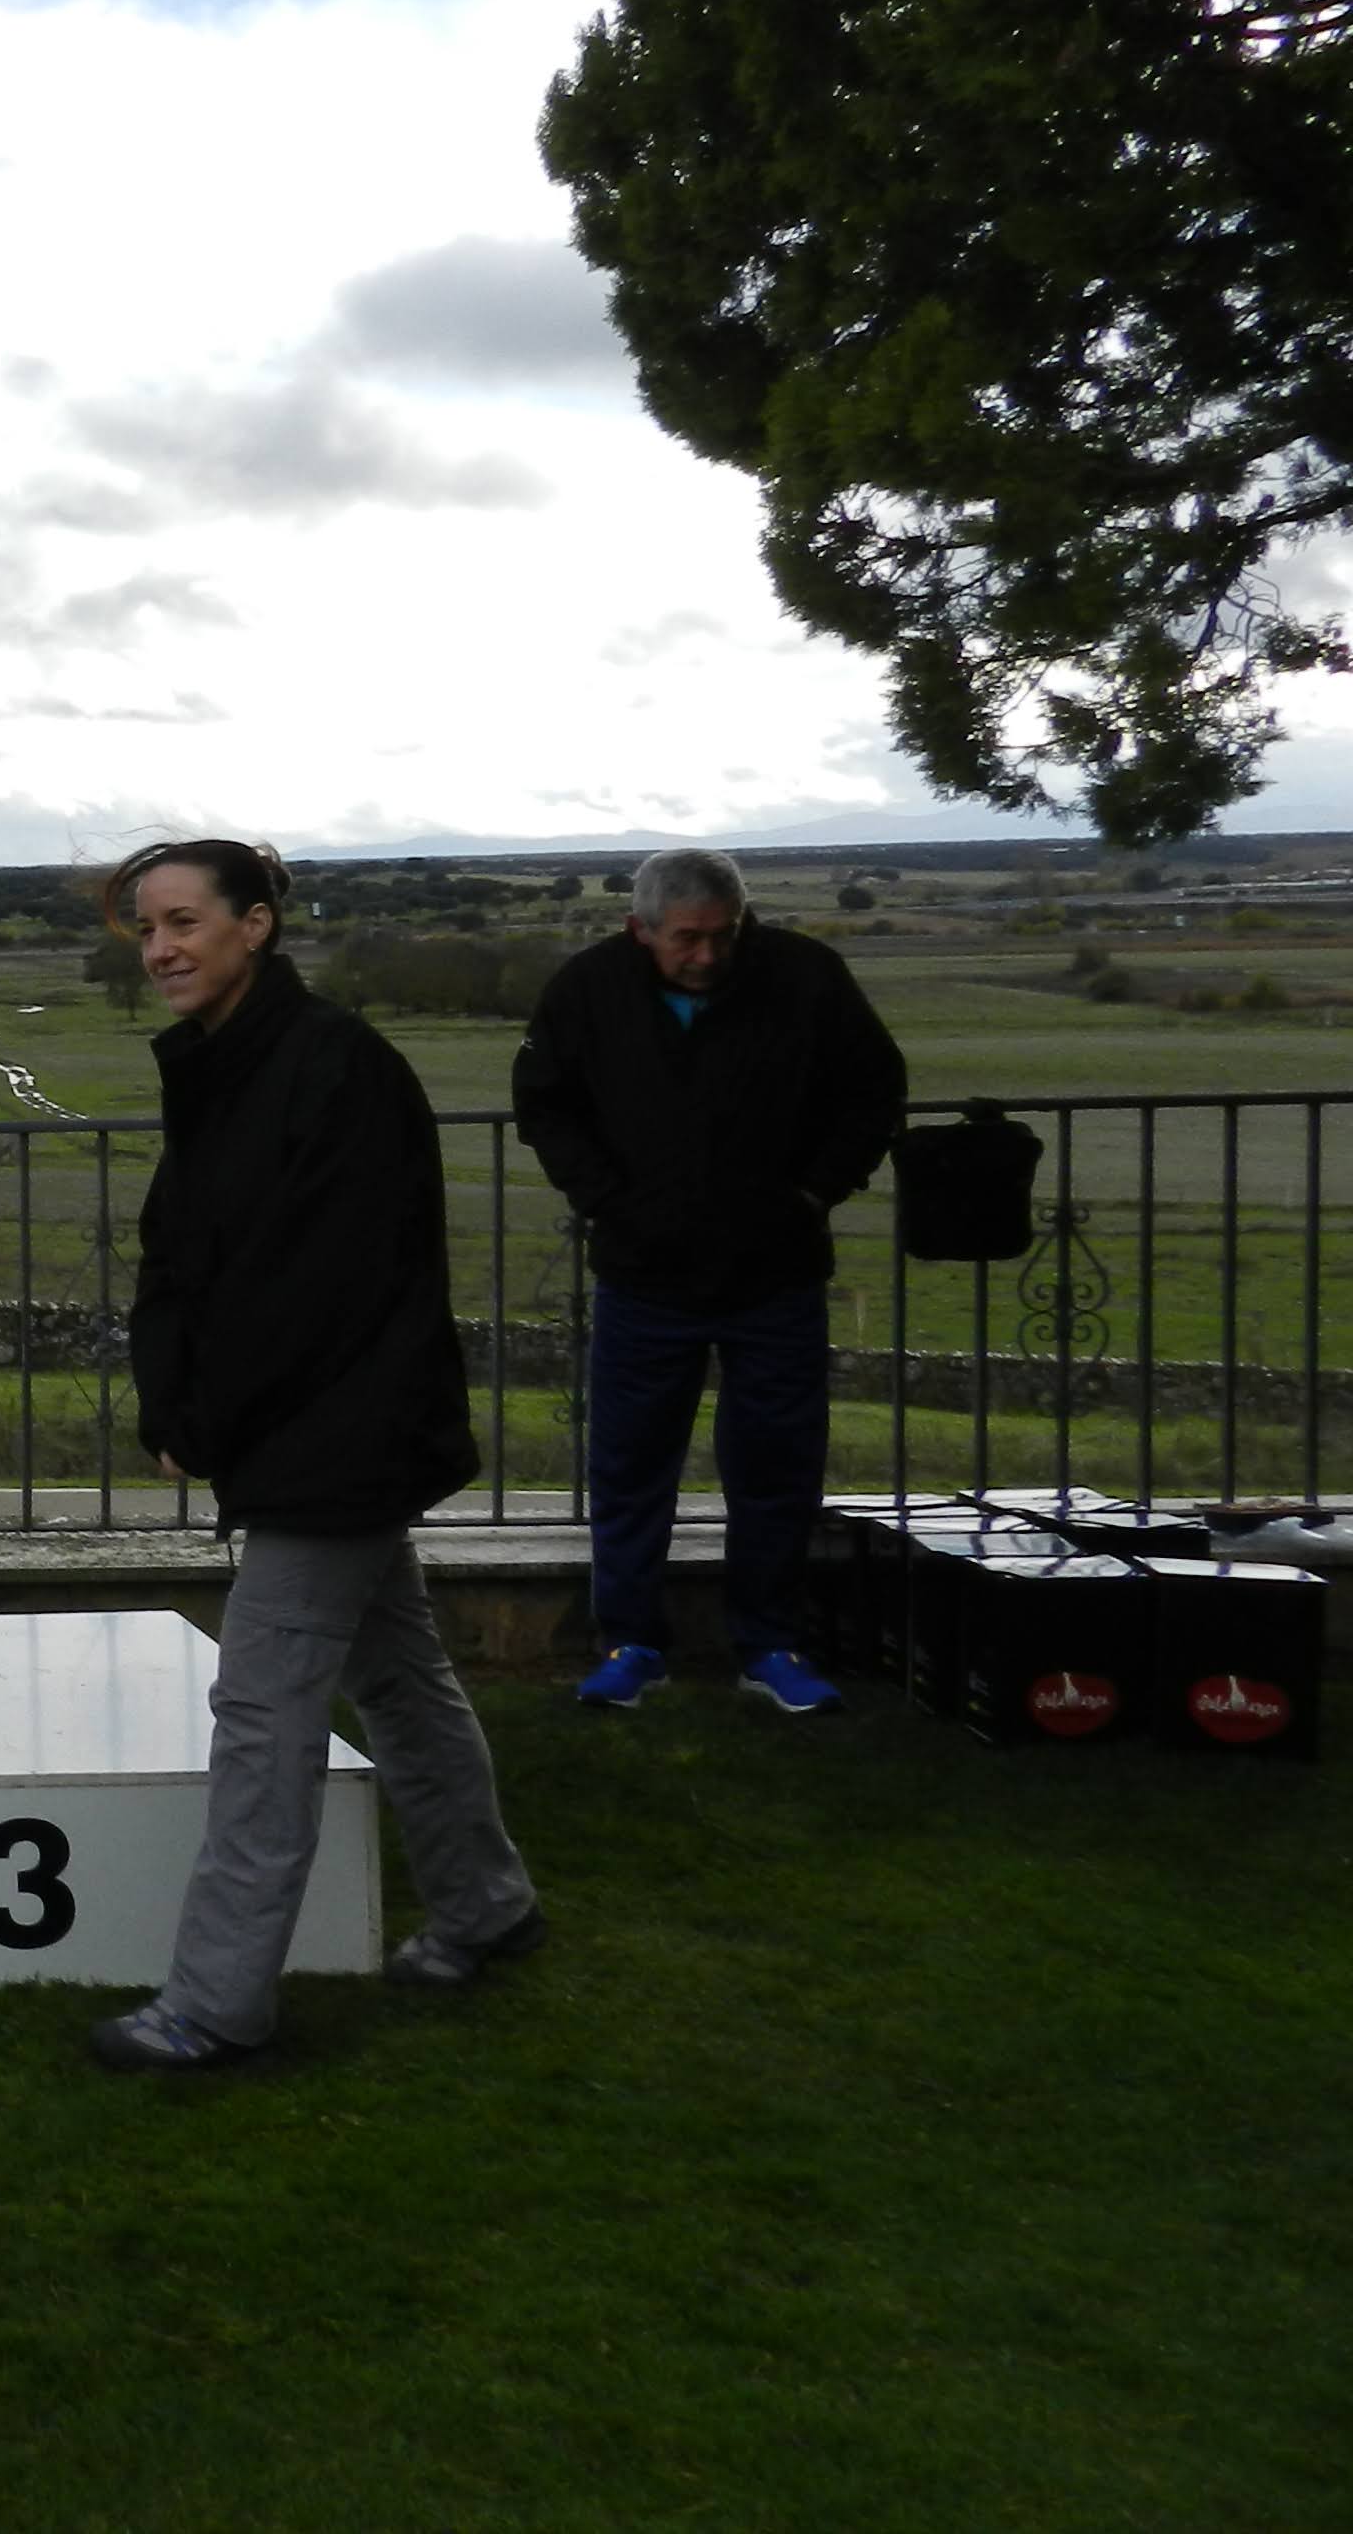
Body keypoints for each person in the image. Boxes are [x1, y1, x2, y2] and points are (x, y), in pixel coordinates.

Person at [91, 839, 541, 2073]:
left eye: (184, 922)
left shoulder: (333, 1064)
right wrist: (174, 1404)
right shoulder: (226, 1062)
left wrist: (210, 1418)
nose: (161, 948)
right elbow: (185, 1255)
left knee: (262, 1707)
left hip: (339, 1435)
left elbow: (315, 1285)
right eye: (146, 928)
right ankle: (485, 1904)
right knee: (397, 1676)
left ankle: (214, 2002)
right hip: (311, 1428)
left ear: (256, 926)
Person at [512, 845, 906, 1714]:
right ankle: (630, 1643)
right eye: (686, 939)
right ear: (640, 929)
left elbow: (873, 1091)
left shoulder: (805, 977)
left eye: (724, 935)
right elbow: (543, 1101)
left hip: (777, 1273)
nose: (707, 955)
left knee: (777, 1469)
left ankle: (770, 1645)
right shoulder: (588, 989)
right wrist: (606, 1199)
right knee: (630, 1469)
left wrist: (813, 1192)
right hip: (643, 1277)